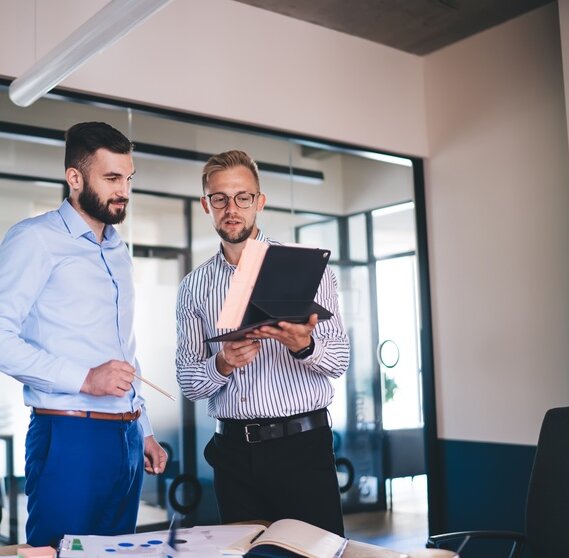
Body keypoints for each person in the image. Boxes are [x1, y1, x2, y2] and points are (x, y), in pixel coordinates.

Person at [0, 121, 168, 547]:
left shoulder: (118, 249)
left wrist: (143, 427)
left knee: (115, 555)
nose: (123, 190)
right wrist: (84, 378)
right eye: (111, 178)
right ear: (74, 178)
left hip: (126, 438)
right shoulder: (34, 240)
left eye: (128, 178)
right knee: (59, 554)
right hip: (68, 436)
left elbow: (123, 349)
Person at [176, 150, 350, 535]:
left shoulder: (309, 269)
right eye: (219, 198)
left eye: (242, 197)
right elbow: (189, 383)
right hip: (233, 455)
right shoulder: (194, 287)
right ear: (207, 204)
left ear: (260, 202)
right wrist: (221, 363)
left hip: (303, 448)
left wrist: (304, 344)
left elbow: (338, 360)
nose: (231, 208)